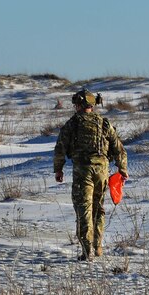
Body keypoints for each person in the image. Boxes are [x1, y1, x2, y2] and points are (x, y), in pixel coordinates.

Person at [53, 89, 128, 261]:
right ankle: (98, 246)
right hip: (102, 171)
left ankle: (87, 251)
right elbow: (119, 149)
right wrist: (123, 169)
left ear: (78, 104)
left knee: (84, 208)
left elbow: (60, 148)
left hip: (83, 171)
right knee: (98, 208)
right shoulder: (104, 123)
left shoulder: (73, 123)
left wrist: (58, 169)